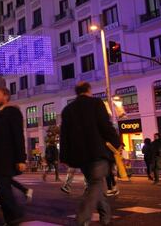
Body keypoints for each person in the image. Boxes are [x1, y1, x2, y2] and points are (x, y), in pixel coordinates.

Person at [60, 82, 120, 226]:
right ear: (89, 90)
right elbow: (105, 125)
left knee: (95, 184)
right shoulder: (96, 103)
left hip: (80, 157)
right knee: (95, 184)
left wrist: (64, 156)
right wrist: (116, 143)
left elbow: (64, 135)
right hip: (97, 152)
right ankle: (82, 218)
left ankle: (105, 217)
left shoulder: (68, 109)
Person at [0, 87, 27, 226]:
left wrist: (21, 159)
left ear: (6, 96)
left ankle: (14, 218)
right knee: (1, 191)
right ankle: (10, 219)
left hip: (6, 158)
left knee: (3, 191)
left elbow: (18, 135)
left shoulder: (12, 112)